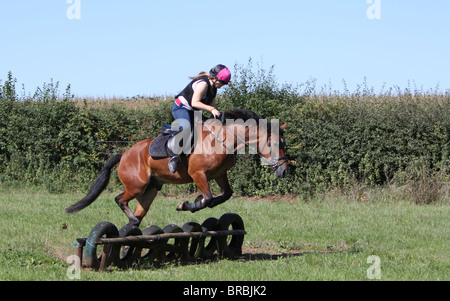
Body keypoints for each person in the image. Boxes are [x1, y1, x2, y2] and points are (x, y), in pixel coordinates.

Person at [168, 64, 232, 173]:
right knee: (186, 128)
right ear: (214, 78)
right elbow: (195, 102)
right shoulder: (203, 84)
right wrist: (211, 109)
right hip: (181, 108)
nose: (223, 85)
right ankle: (174, 156)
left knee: (210, 128)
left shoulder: (213, 89)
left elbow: (211, 107)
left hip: (193, 111)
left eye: (225, 83)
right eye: (222, 82)